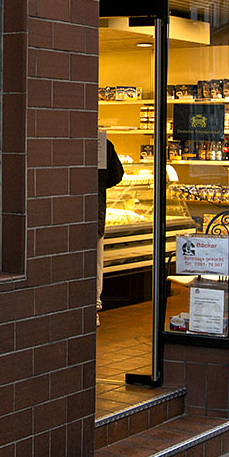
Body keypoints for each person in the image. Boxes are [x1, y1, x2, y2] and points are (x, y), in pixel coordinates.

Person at [97, 136, 124, 326]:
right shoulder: (103, 143)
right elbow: (117, 175)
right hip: (95, 214)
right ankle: (94, 308)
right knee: (96, 264)